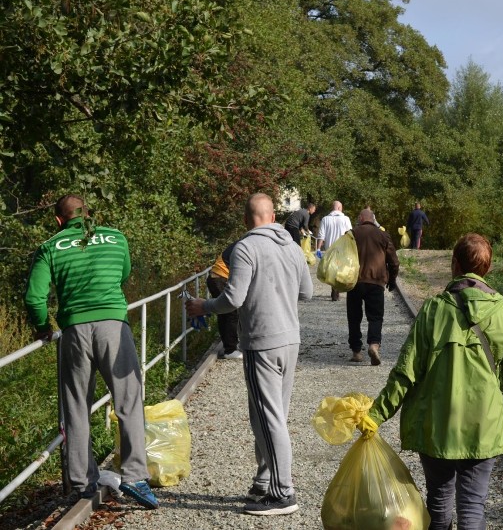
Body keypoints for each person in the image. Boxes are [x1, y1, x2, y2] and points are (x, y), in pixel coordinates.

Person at [358, 233, 503, 529]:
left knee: (438, 504)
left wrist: (377, 414)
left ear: (454, 264)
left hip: (436, 426)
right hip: (483, 425)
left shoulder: (434, 310)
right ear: (486, 269)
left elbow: (406, 372)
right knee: (473, 507)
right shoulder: (502, 312)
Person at [24, 194, 158, 509]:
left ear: (59, 220)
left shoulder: (49, 247)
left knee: (76, 407)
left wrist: (43, 327)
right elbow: (123, 275)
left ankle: (84, 482)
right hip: (114, 326)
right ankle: (136, 476)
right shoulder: (116, 237)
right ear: (87, 215)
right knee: (128, 400)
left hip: (73, 332)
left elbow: (34, 299)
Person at [185, 193, 312, 516]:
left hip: (261, 341)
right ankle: (264, 479)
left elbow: (233, 299)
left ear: (246, 219)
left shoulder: (244, 248)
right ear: (272, 217)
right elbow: (307, 293)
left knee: (267, 418)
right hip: (290, 340)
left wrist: (203, 306)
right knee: (271, 415)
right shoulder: (292, 246)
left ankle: (283, 493)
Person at [347, 208, 399, 365]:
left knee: (354, 318)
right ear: (373, 219)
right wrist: (392, 279)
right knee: (375, 317)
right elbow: (394, 261)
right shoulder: (383, 235)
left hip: (355, 282)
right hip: (376, 281)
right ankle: (374, 345)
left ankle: (356, 352)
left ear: (361, 218)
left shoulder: (351, 234)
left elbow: (341, 258)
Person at [206, 241, 241, 359]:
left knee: (226, 313)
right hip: (220, 278)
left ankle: (230, 345)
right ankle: (230, 350)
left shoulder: (246, 241)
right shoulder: (249, 244)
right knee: (230, 312)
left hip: (218, 277)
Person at [316, 200, 353, 301]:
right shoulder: (346, 219)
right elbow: (350, 234)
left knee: (332, 270)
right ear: (339, 208)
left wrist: (318, 248)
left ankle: (334, 290)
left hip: (330, 249)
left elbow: (321, 235)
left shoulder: (325, 219)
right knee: (339, 269)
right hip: (342, 249)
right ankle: (337, 290)